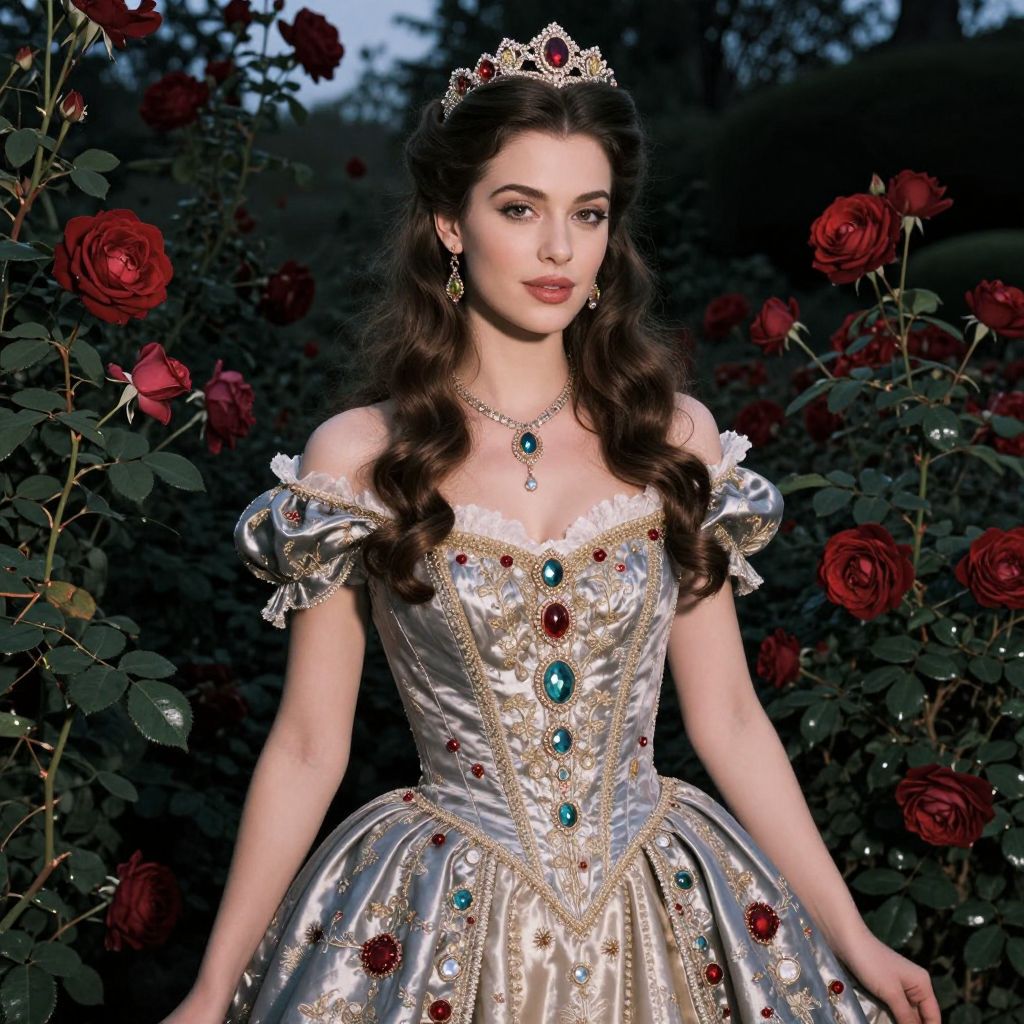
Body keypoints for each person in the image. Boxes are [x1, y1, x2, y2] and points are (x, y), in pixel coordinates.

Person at [160, 21, 941, 1024]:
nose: (560, 249)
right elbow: (312, 743)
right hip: (446, 917)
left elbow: (730, 719)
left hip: (661, 908)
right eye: (519, 208)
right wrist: (211, 987)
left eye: (589, 212)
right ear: (450, 220)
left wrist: (851, 935)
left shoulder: (673, 438)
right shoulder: (359, 457)